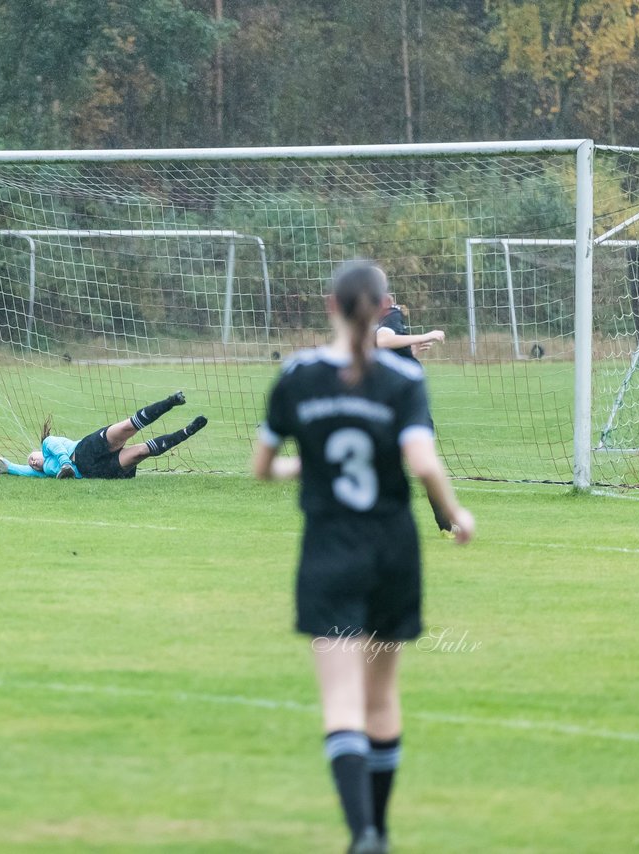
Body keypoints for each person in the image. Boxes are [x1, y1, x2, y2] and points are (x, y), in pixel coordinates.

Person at [252, 261, 474, 854]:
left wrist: (309, 466)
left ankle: (362, 835)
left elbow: (263, 467)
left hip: (329, 551)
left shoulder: (297, 375)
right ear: (381, 309)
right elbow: (424, 464)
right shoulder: (402, 378)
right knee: (382, 698)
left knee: (342, 701)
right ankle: (380, 828)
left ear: (331, 306)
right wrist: (459, 514)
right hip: (393, 552)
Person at [374, 291, 456, 537]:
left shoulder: (367, 320)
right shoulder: (390, 315)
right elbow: (382, 341)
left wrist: (411, 352)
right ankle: (447, 523)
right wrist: (426, 335)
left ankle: (445, 524)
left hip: (387, 397)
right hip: (402, 402)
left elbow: (382, 353)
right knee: (423, 463)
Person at [0, 391, 207, 479]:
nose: (32, 462)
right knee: (142, 451)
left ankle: (171, 401)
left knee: (127, 427)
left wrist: (66, 465)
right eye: (32, 463)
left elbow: (57, 448)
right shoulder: (47, 471)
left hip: (84, 451)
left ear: (39, 451)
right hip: (94, 471)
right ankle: (187, 431)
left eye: (32, 458)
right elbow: (26, 472)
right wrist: (9, 467)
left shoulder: (48, 445)